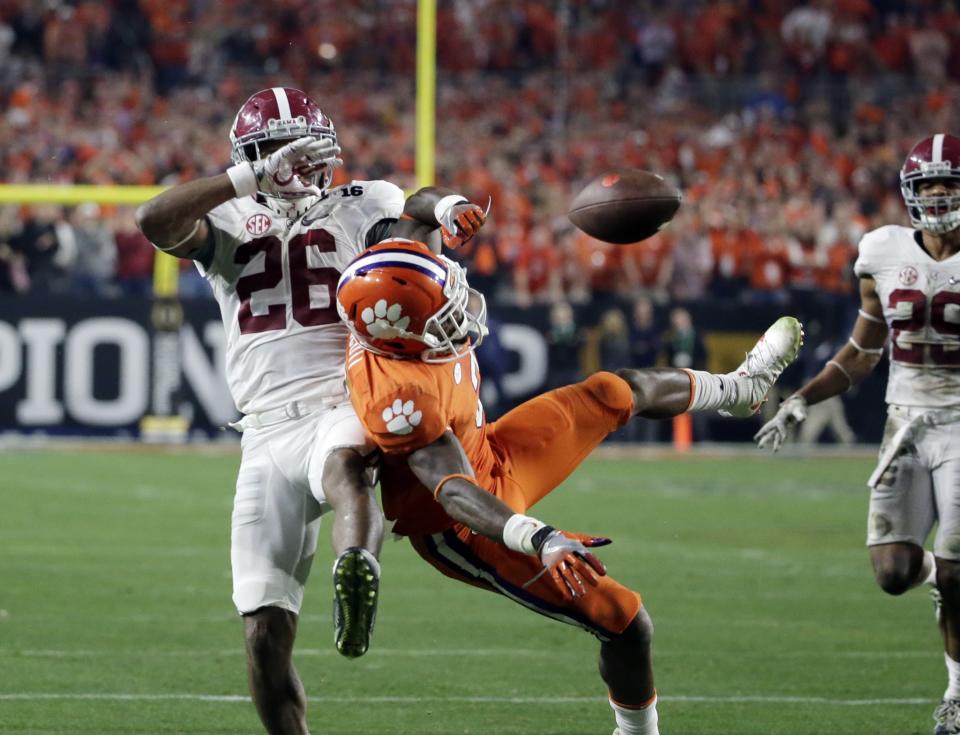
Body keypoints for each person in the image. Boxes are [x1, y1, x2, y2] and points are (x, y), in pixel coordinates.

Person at [336, 239, 803, 735]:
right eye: (445, 317)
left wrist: (447, 208)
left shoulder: (393, 305)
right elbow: (454, 490)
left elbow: (409, 219)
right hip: (466, 522)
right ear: (401, 338)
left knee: (611, 391)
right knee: (625, 620)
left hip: (490, 450)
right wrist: (538, 537)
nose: (464, 313)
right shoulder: (400, 397)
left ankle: (740, 390)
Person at [134, 87, 486, 735]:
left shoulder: (362, 203)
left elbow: (418, 204)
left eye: (304, 151)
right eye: (276, 154)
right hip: (264, 429)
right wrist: (248, 179)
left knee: (346, 465)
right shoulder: (232, 216)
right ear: (251, 157)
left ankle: (359, 565)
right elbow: (152, 219)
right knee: (264, 637)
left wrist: (453, 204)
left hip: (341, 395)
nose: (294, 166)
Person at [755, 133, 960, 735]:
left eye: (951, 184)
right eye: (931, 186)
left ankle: (957, 695)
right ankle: (941, 583)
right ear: (910, 194)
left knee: (955, 570)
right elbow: (863, 351)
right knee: (895, 572)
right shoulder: (881, 252)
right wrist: (800, 399)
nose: (942, 195)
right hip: (905, 421)